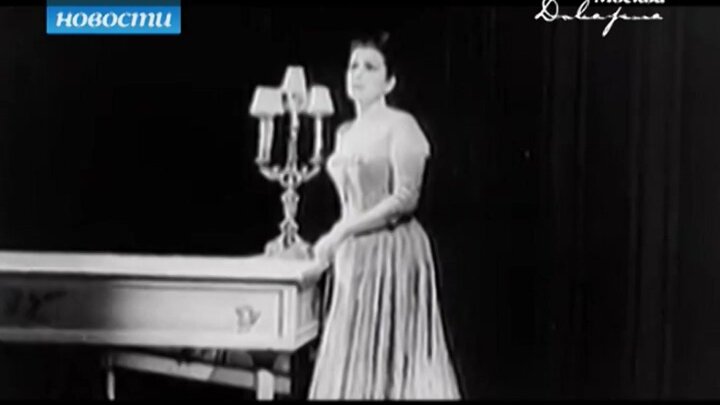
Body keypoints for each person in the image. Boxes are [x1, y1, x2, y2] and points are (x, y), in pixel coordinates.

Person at [308, 32, 461, 400]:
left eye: (370, 67)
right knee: (355, 354)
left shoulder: (401, 125)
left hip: (393, 250)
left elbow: (405, 199)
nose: (358, 74)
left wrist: (341, 231)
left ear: (389, 82)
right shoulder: (345, 132)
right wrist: (339, 238)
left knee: (392, 354)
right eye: (353, 66)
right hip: (354, 255)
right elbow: (349, 202)